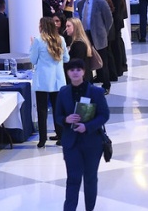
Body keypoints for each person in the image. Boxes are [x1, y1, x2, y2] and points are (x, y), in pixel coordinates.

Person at [54, 59, 109, 211]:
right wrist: (66, 119)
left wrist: (87, 126)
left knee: (90, 179)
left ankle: (89, 209)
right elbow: (57, 116)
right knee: (73, 178)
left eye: (79, 69)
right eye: (72, 70)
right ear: (68, 73)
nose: (75, 72)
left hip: (92, 142)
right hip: (71, 143)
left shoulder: (96, 92)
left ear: (84, 72)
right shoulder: (63, 92)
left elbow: (104, 115)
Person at [31, 17, 70, 148]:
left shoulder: (38, 40)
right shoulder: (61, 39)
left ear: (42, 26)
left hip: (43, 80)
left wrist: (32, 46)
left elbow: (33, 60)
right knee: (58, 109)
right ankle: (61, 135)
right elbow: (66, 59)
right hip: (58, 80)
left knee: (42, 110)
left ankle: (42, 139)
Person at [77, 0, 114, 94]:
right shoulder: (80, 4)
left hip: (98, 36)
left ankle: (106, 84)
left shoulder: (101, 3)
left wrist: (103, 32)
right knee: (87, 61)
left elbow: (109, 20)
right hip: (85, 36)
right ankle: (89, 84)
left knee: (102, 61)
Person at [65, 18, 93, 83]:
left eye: (68, 26)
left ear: (75, 27)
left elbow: (77, 63)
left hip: (80, 81)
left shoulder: (78, 44)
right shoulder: (81, 42)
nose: (66, 29)